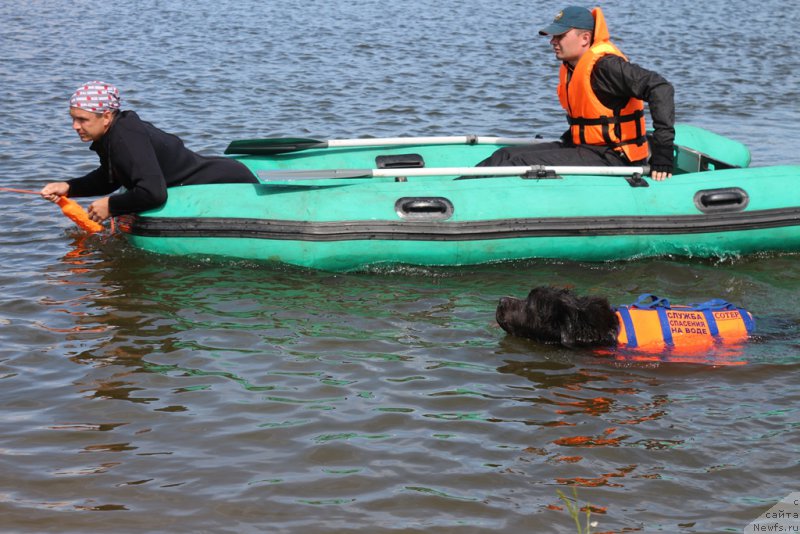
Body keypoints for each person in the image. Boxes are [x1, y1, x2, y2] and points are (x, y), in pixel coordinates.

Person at [476, 6, 675, 181]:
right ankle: (452, 190)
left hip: (615, 157)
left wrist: (663, 153)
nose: (553, 42)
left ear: (585, 38)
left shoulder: (607, 66)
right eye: (553, 36)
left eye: (560, 36)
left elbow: (660, 88)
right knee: (504, 154)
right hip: (589, 149)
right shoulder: (572, 67)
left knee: (518, 162)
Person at [41, 81, 259, 223]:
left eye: (82, 119)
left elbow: (153, 193)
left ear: (106, 117)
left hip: (229, 182)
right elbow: (112, 177)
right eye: (73, 118)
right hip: (222, 175)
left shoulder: (125, 138)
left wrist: (112, 205)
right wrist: (69, 187)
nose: (75, 126)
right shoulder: (112, 134)